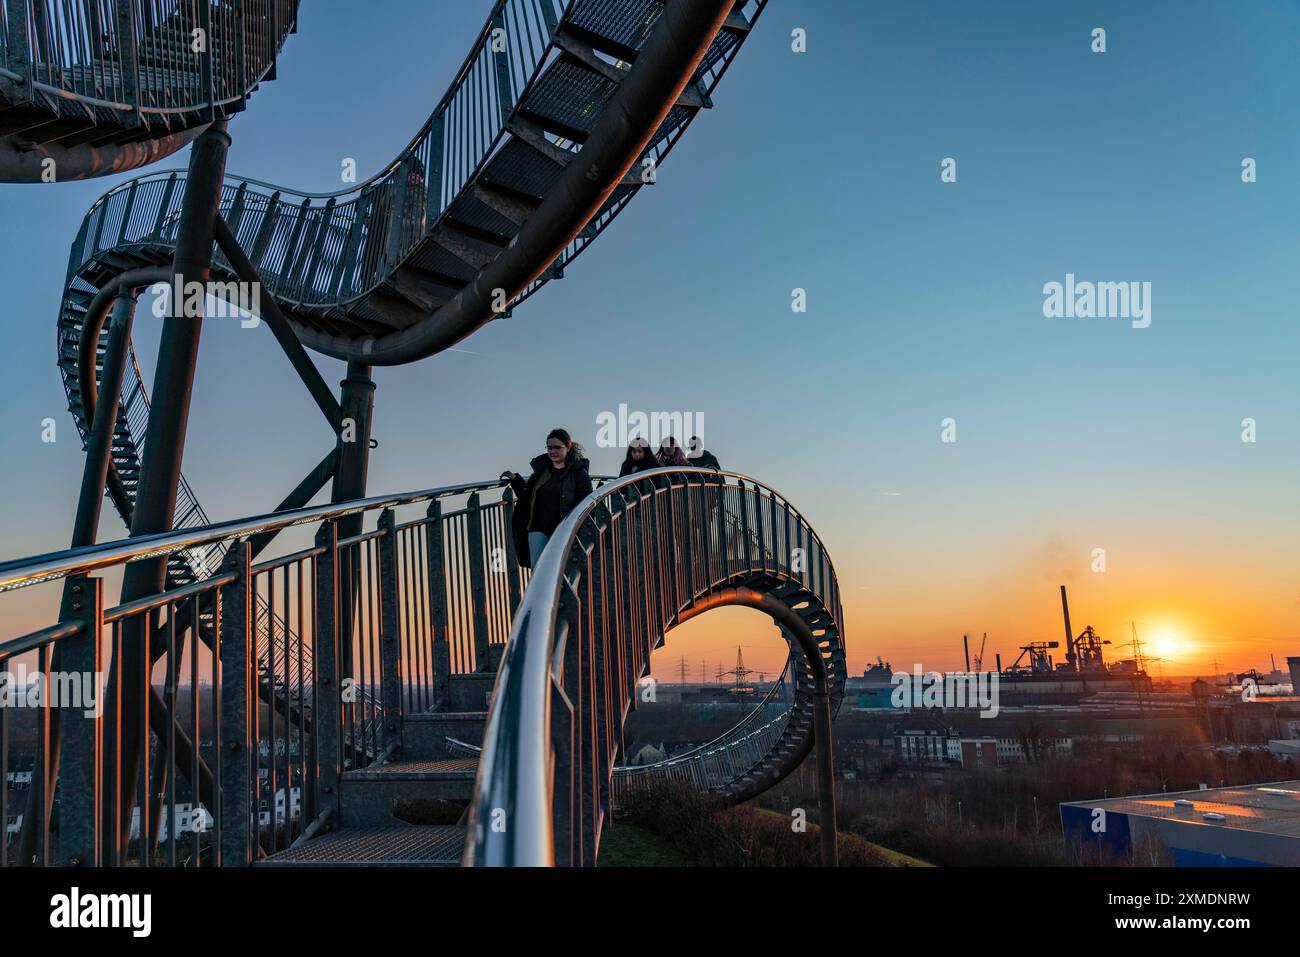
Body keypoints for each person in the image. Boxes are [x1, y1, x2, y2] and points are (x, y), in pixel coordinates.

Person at [502, 429, 592, 569]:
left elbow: (586, 504)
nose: (552, 451)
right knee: (538, 573)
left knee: (562, 573)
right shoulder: (542, 471)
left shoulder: (579, 473)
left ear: (568, 447)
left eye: (557, 447)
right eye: (549, 447)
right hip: (538, 529)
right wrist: (516, 480)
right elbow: (529, 497)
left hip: (563, 531)